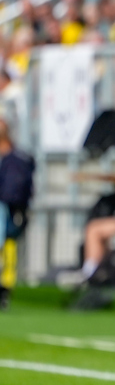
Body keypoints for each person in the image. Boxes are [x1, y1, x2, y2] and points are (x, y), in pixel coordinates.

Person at [0, 118, 34, 309]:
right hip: (8, 212)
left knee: (8, 249)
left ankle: (5, 289)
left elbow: (13, 192)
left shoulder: (16, 160)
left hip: (9, 212)